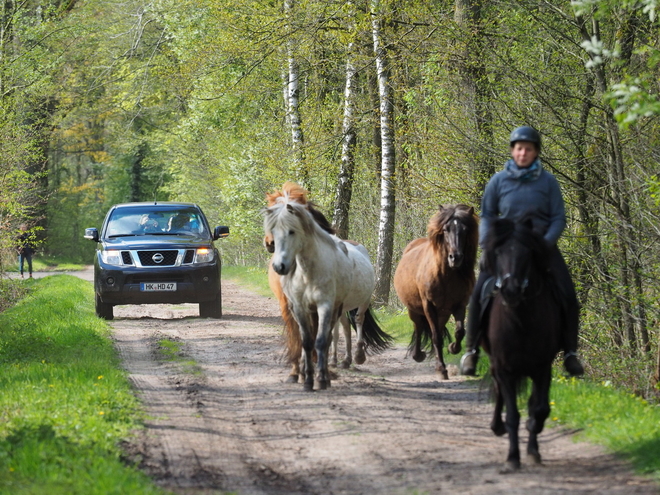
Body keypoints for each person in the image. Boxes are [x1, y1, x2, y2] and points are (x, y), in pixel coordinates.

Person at [459, 126, 585, 377]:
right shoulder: (498, 181)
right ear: (512, 151)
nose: (523, 153)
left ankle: (570, 353)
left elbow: (559, 218)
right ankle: (471, 350)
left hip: (541, 246)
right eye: (519, 148)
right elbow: (488, 216)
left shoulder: (548, 182)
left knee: (568, 295)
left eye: (528, 149)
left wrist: (546, 244)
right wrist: (487, 247)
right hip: (505, 248)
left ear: (536, 152)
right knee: (478, 295)